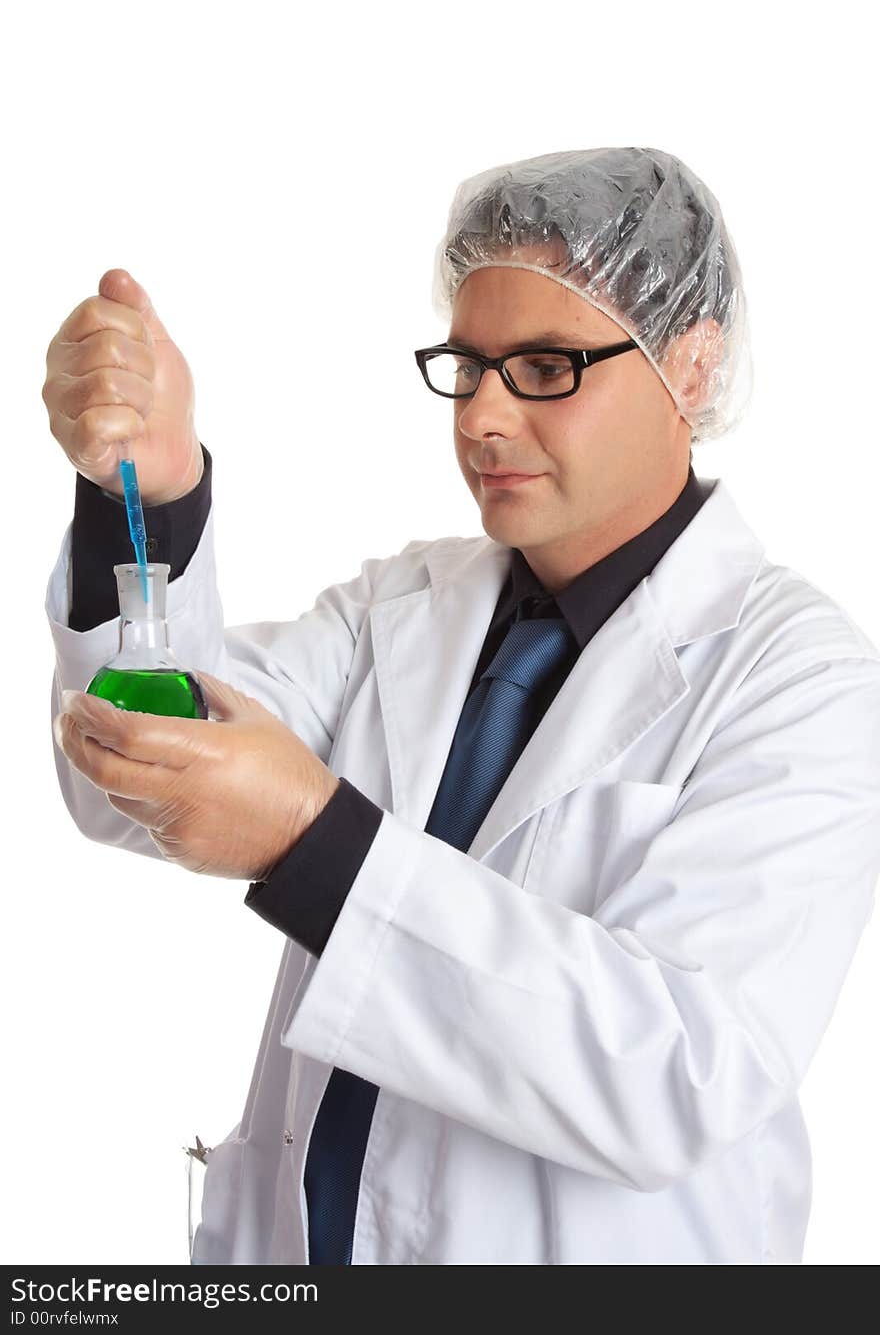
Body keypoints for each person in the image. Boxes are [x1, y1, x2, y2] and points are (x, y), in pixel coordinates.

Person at [45, 148, 880, 1266]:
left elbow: (677, 1074)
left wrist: (312, 841)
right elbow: (137, 779)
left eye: (543, 366)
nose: (481, 417)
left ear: (688, 365)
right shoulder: (401, 602)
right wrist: (144, 490)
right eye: (468, 364)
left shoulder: (799, 679)